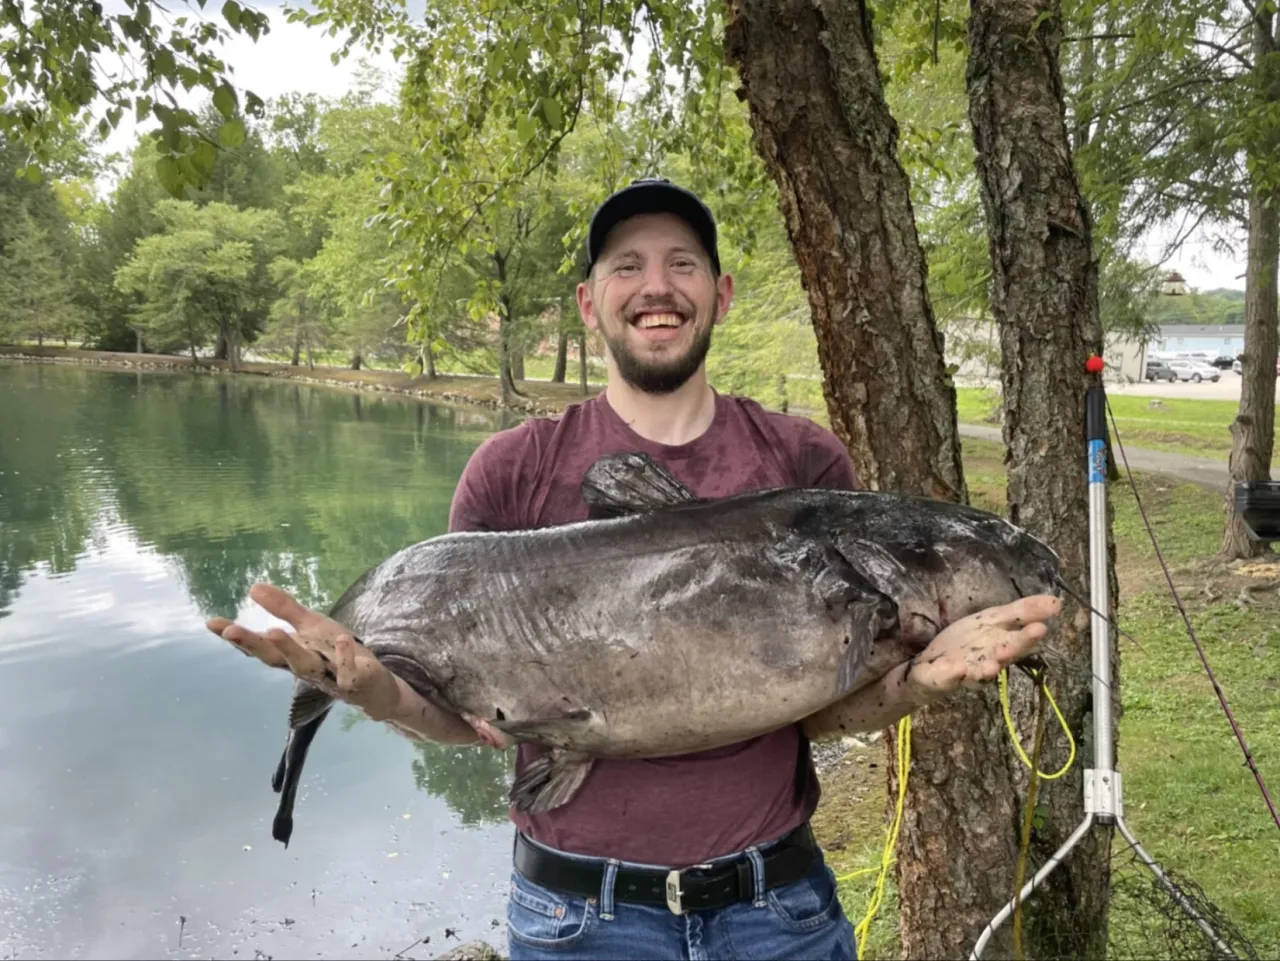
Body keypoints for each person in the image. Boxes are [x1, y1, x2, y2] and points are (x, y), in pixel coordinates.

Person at [207, 178, 1062, 961]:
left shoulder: (804, 462)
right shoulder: (512, 470)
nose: (657, 286)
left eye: (682, 263)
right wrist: (370, 689)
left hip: (777, 909)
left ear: (719, 294)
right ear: (590, 301)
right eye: (629, 266)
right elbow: (457, 717)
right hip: (576, 917)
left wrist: (914, 682)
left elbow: (818, 713)